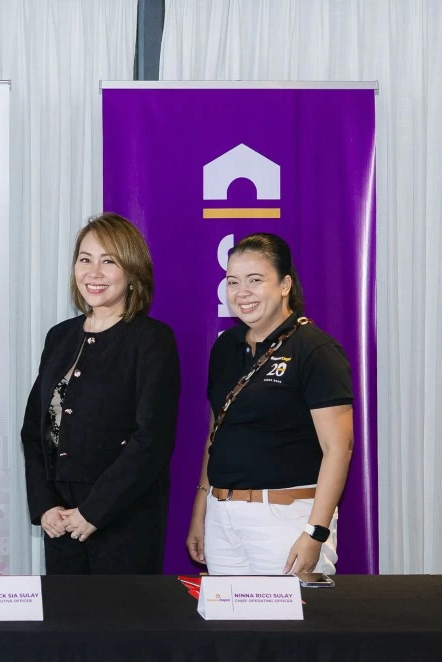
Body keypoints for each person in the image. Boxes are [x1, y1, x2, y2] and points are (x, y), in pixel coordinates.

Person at [20, 213, 179, 575]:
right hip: (60, 519)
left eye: (109, 261)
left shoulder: (152, 340)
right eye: (85, 259)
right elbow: (34, 429)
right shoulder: (59, 337)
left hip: (124, 518)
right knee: (66, 626)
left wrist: (94, 511)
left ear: (133, 272)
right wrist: (45, 506)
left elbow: (151, 439)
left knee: (120, 627)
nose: (94, 272)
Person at [187, 232, 352, 576]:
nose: (241, 292)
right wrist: (202, 509)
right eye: (233, 281)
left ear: (285, 284)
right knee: (228, 629)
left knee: (289, 629)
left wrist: (315, 532)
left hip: (286, 521)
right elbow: (216, 432)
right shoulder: (226, 347)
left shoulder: (315, 350)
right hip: (223, 518)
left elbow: (339, 448)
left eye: (255, 280)